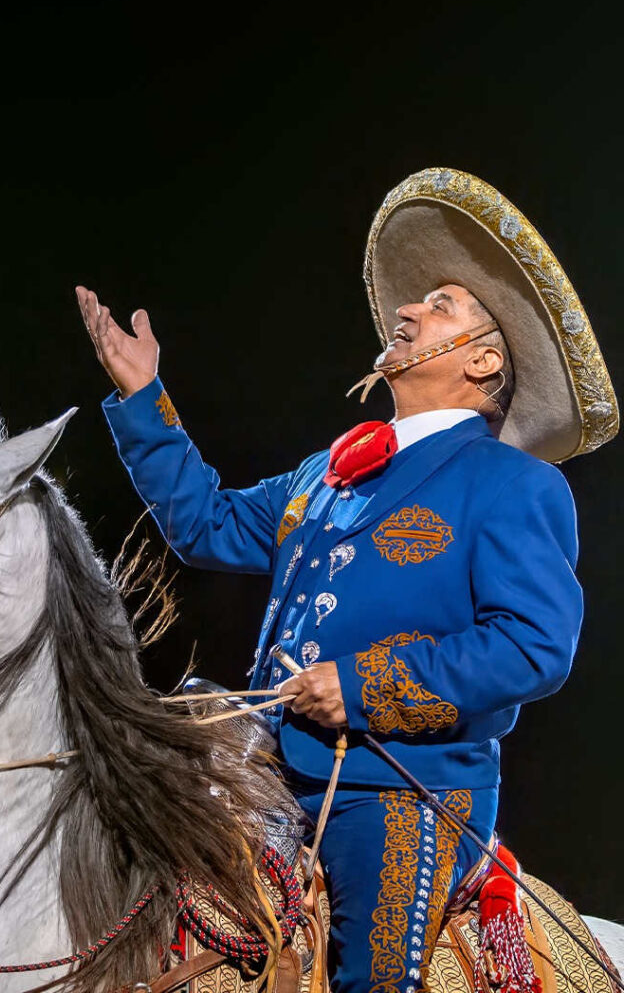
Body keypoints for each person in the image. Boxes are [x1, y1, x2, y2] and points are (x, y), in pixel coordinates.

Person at [75, 167, 618, 993]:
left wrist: (361, 687)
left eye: (441, 307)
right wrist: (146, 397)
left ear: (480, 361)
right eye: (419, 301)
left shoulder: (513, 485)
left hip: (394, 790)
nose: (407, 311)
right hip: (262, 765)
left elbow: (534, 644)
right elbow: (205, 524)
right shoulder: (327, 473)